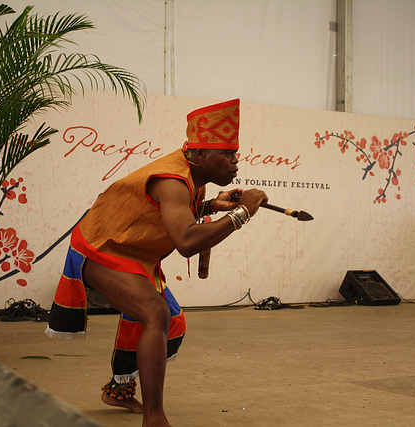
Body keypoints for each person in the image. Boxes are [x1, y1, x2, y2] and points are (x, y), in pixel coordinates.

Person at [45, 98, 268, 426]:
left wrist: (209, 207)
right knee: (155, 314)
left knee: (170, 319)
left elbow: (165, 215)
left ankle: (118, 390)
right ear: (201, 155)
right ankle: (155, 418)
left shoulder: (191, 175)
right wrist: (242, 213)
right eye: (228, 155)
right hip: (102, 248)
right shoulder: (173, 180)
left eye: (235, 154)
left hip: (134, 253)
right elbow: (187, 242)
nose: (236, 162)